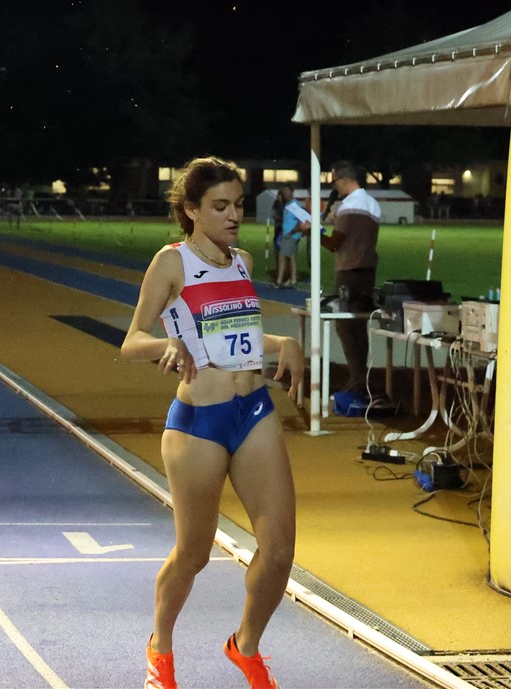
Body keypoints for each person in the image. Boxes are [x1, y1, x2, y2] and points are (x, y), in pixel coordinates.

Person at [120, 156, 303, 689]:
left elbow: (236, 335)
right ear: (191, 210)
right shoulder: (171, 263)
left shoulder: (242, 260)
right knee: (194, 554)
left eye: (238, 205)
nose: (233, 216)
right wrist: (166, 345)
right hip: (198, 422)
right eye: (220, 206)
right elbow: (131, 341)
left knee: (280, 552)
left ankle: (245, 646)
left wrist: (283, 342)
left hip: (254, 411)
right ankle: (160, 648)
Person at [310, 161, 381, 398]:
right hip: (368, 271)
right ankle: (361, 376)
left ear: (342, 179)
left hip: (348, 272)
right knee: (359, 325)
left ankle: (357, 378)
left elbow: (334, 244)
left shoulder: (349, 206)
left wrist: (312, 232)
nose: (334, 187)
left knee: (343, 325)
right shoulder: (373, 204)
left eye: (334, 182)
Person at [274, 190, 310, 288]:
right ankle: (293, 280)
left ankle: (279, 281)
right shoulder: (288, 205)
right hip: (289, 234)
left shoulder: (294, 205)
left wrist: (293, 231)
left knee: (282, 256)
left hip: (291, 235)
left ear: (291, 193)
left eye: (287, 192)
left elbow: (302, 219)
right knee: (291, 257)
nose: (285, 194)